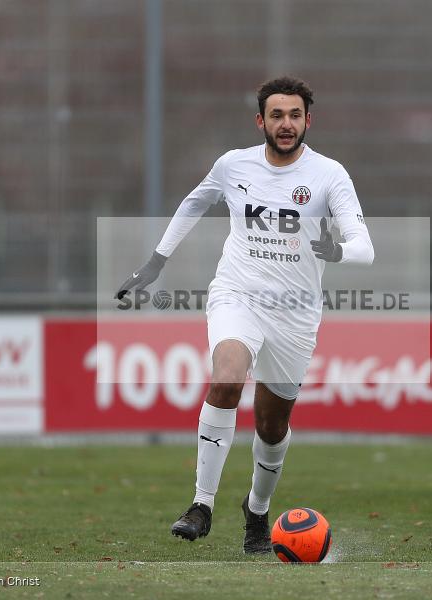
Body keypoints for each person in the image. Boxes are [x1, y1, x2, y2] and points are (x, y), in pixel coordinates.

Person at [117, 76, 374, 554]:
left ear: (307, 121)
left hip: (295, 315)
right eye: (276, 115)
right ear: (261, 120)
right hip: (238, 295)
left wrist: (337, 251)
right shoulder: (233, 165)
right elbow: (194, 201)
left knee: (272, 427)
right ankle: (201, 504)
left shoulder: (329, 175)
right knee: (227, 377)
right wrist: (157, 259)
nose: (286, 124)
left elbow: (365, 246)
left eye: (294, 115)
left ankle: (256, 510)